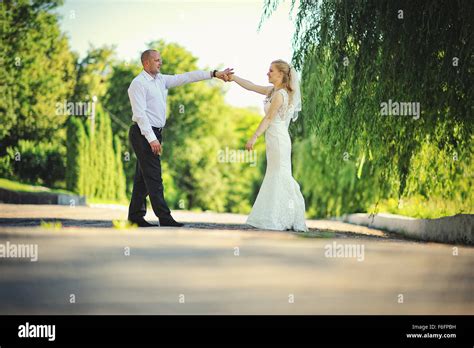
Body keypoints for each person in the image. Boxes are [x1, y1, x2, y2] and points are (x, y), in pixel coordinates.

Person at [127, 49, 233, 227]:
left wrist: (214, 74)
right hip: (143, 133)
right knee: (154, 177)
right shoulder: (138, 84)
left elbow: (187, 77)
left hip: (155, 133)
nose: (160, 63)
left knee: (143, 179)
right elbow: (140, 115)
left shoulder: (161, 80)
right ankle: (165, 218)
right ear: (146, 63)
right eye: (156, 60)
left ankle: (135, 217)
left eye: (160, 60)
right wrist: (152, 139)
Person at [228, 59, 308, 232]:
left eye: (271, 70)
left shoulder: (280, 95)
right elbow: (250, 86)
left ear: (280, 74)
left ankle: (284, 217)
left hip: (279, 139)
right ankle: (276, 215)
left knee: (280, 174)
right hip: (274, 140)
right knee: (275, 174)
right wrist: (234, 78)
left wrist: (254, 137)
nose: (267, 73)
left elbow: (269, 118)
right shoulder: (273, 91)